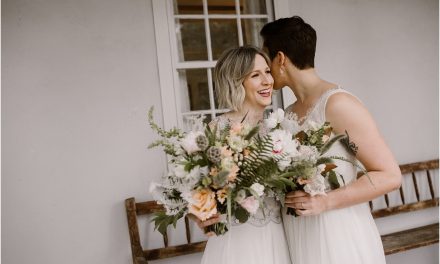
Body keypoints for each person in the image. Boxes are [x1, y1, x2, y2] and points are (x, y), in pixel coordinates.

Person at [260, 16, 402, 264]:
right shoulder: (288, 113)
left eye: (266, 58)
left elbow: (389, 175)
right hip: (300, 235)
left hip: (338, 234)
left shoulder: (338, 105)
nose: (266, 71)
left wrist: (325, 202)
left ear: (280, 58)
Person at [189, 46, 292, 264]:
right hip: (236, 243)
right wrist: (200, 215)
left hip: (278, 238)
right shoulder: (217, 129)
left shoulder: (278, 129)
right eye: (255, 75)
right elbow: (192, 191)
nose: (267, 81)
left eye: (267, 71)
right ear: (236, 82)